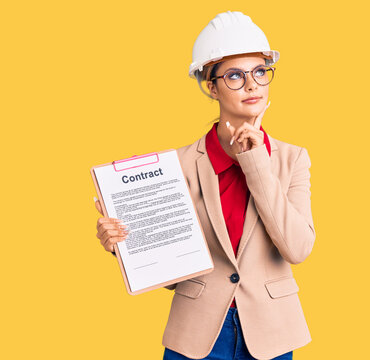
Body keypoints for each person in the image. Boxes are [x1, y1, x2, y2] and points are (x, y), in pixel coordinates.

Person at [94, 11, 315, 360]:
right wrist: (126, 243)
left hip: (271, 332)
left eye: (260, 71)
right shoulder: (176, 166)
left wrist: (255, 163)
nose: (252, 84)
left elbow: (297, 248)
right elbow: (171, 272)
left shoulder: (293, 159)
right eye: (234, 76)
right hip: (197, 334)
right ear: (210, 87)